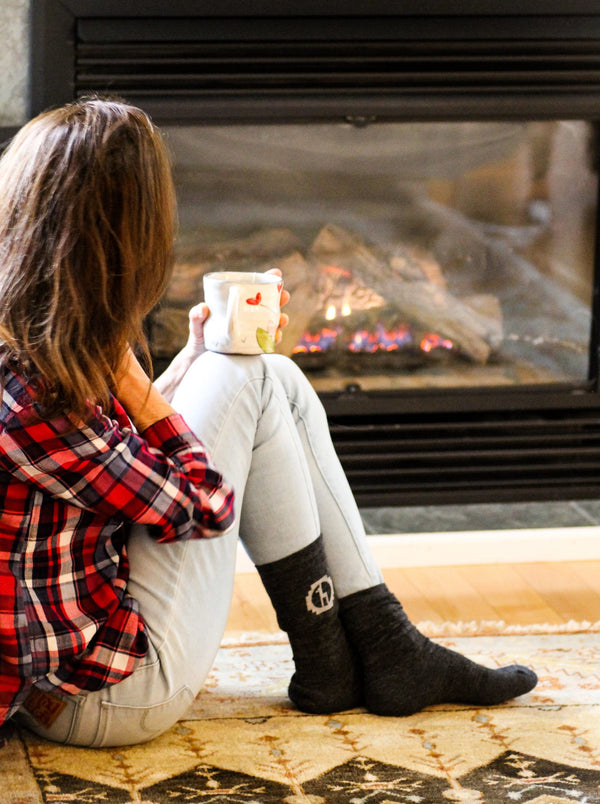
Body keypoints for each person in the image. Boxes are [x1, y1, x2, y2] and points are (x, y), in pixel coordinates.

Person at [0, 96, 537, 748]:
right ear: (121, 243)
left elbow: (108, 463)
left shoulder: (28, 353)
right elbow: (205, 505)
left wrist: (188, 364)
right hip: (99, 698)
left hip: (75, 655)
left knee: (268, 374)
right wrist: (144, 389)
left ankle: (371, 643)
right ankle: (348, 654)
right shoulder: (35, 400)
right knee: (251, 377)